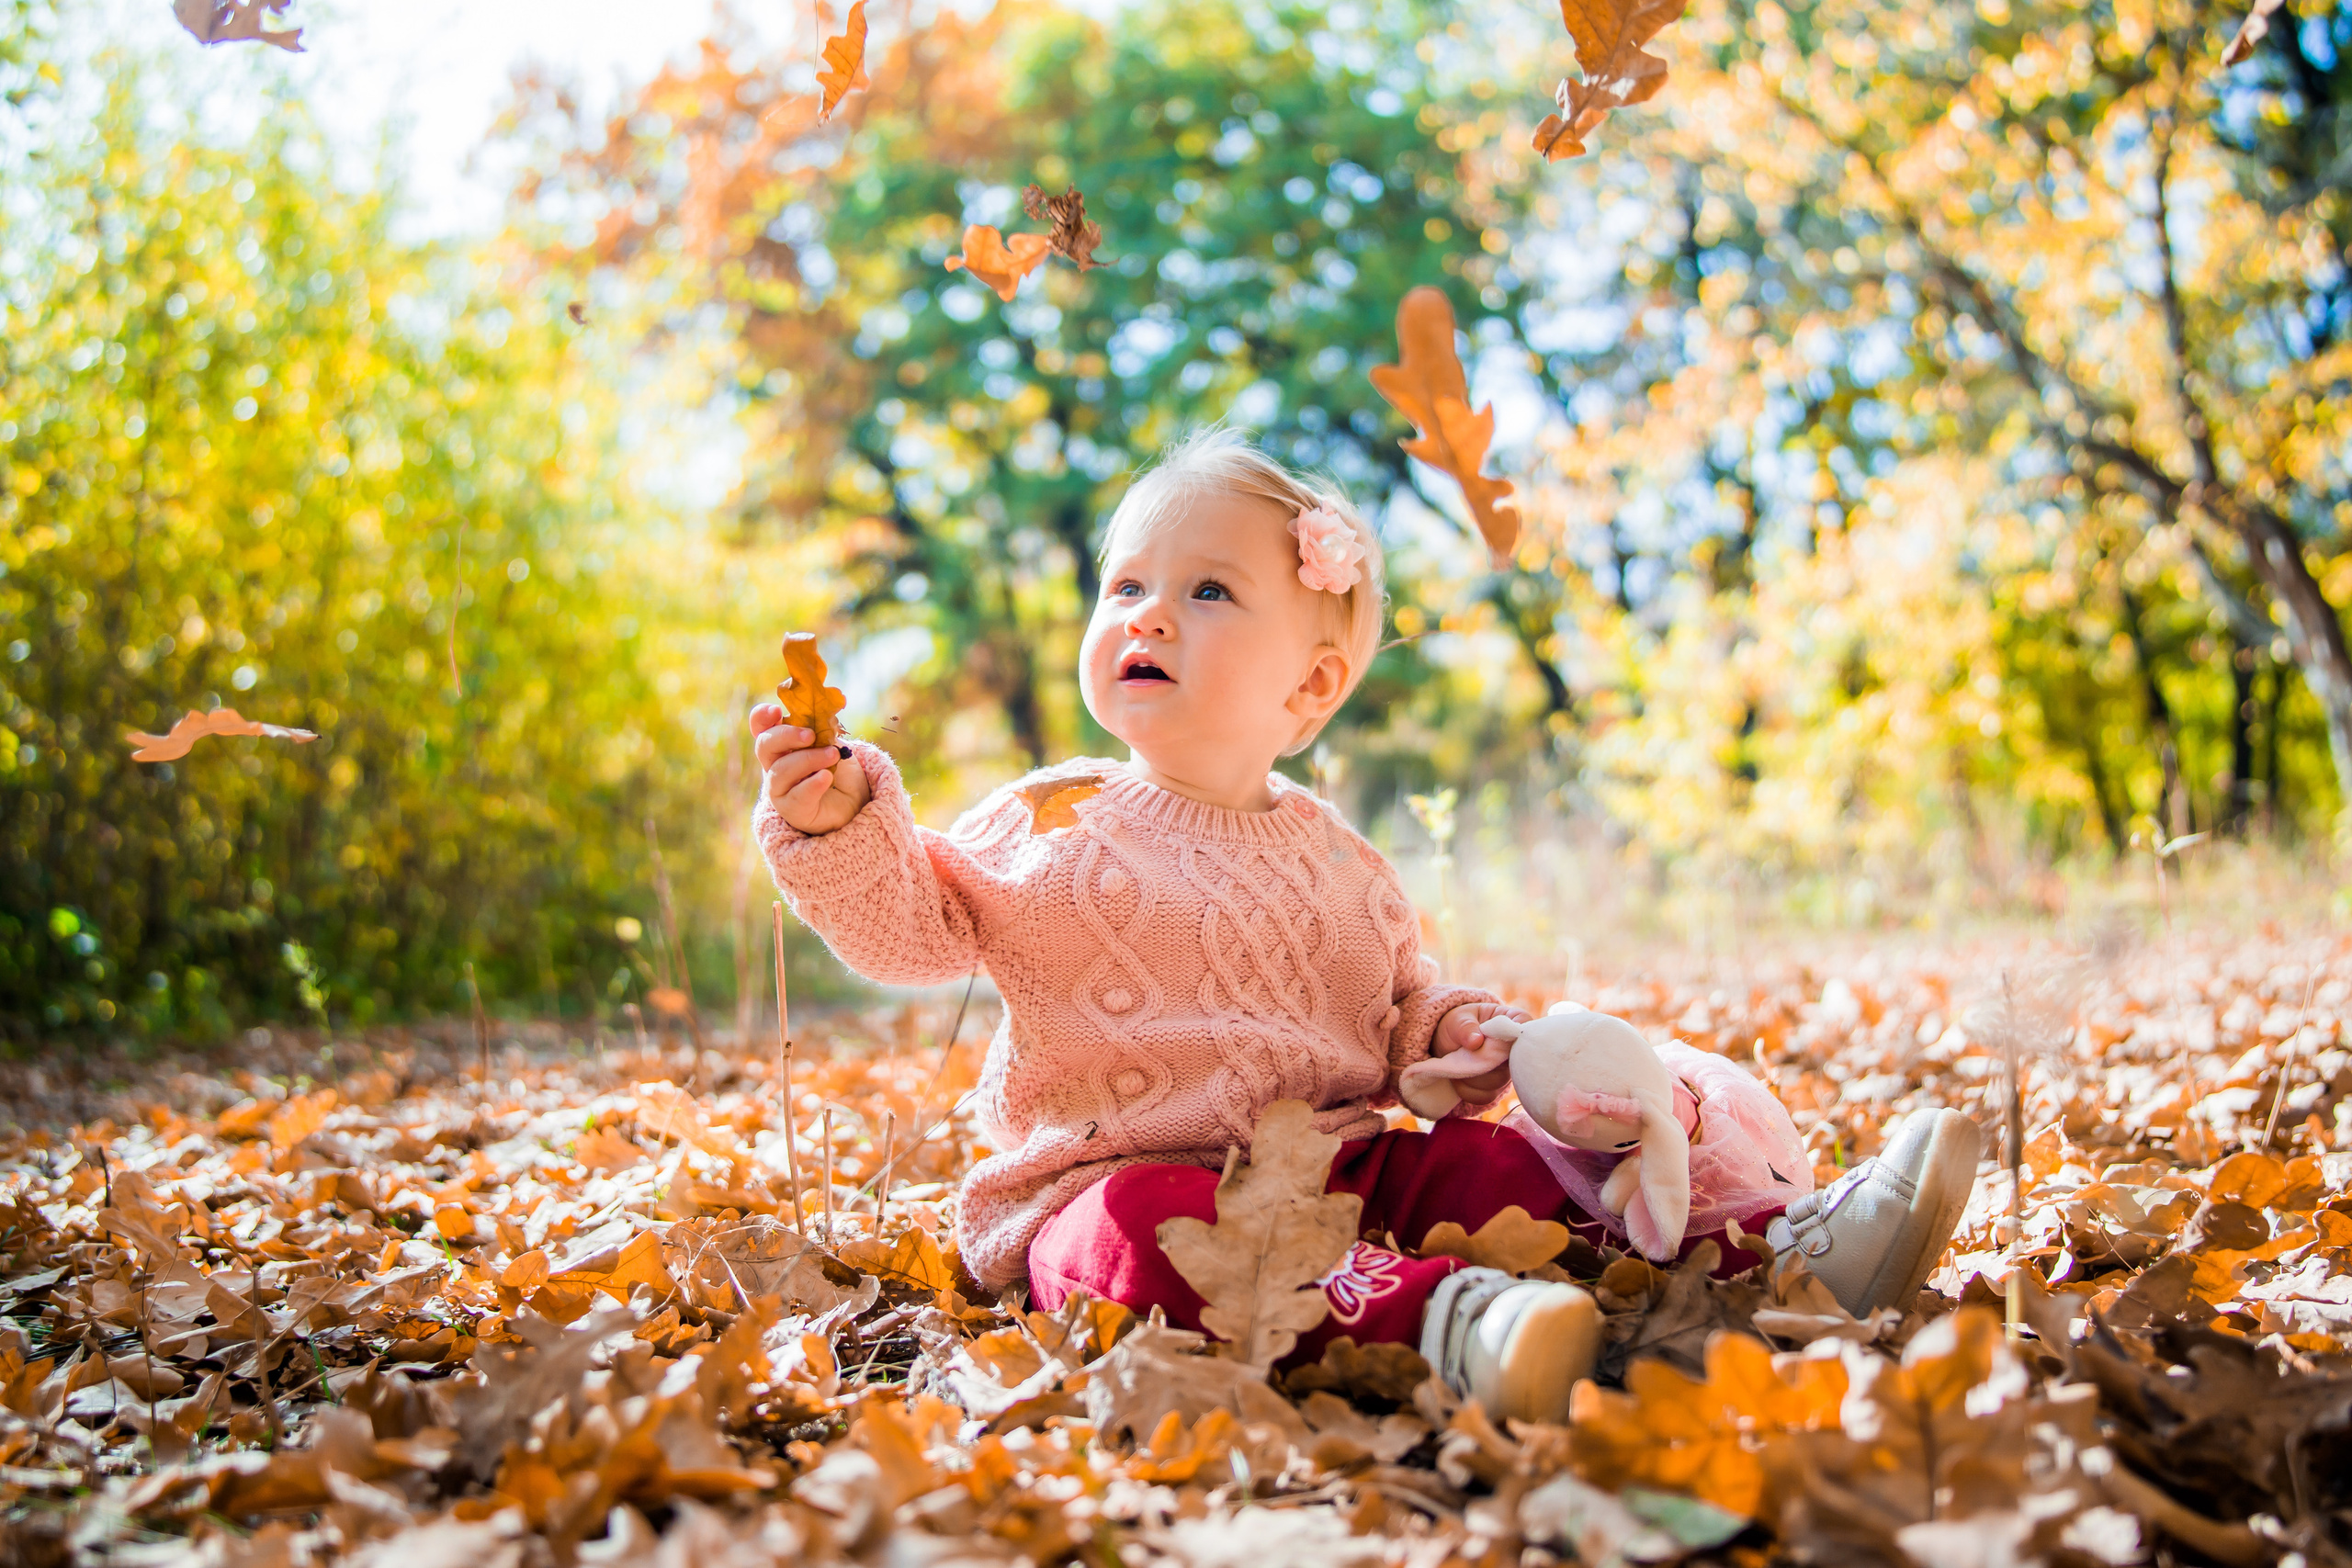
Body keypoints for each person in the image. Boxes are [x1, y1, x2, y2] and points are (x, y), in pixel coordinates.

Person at [749, 427, 1982, 1423]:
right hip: (1108, 1181)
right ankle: (1443, 1326)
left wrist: (1477, 1039)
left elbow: (1405, 1023)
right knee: (1130, 1244)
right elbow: (908, 934)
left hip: (1344, 1166)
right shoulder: (1050, 815)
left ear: (1312, 684)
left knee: (1507, 1169)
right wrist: (840, 828)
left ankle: (1783, 1252)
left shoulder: (1345, 864)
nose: (1148, 615)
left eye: (1207, 589)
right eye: (1125, 584)